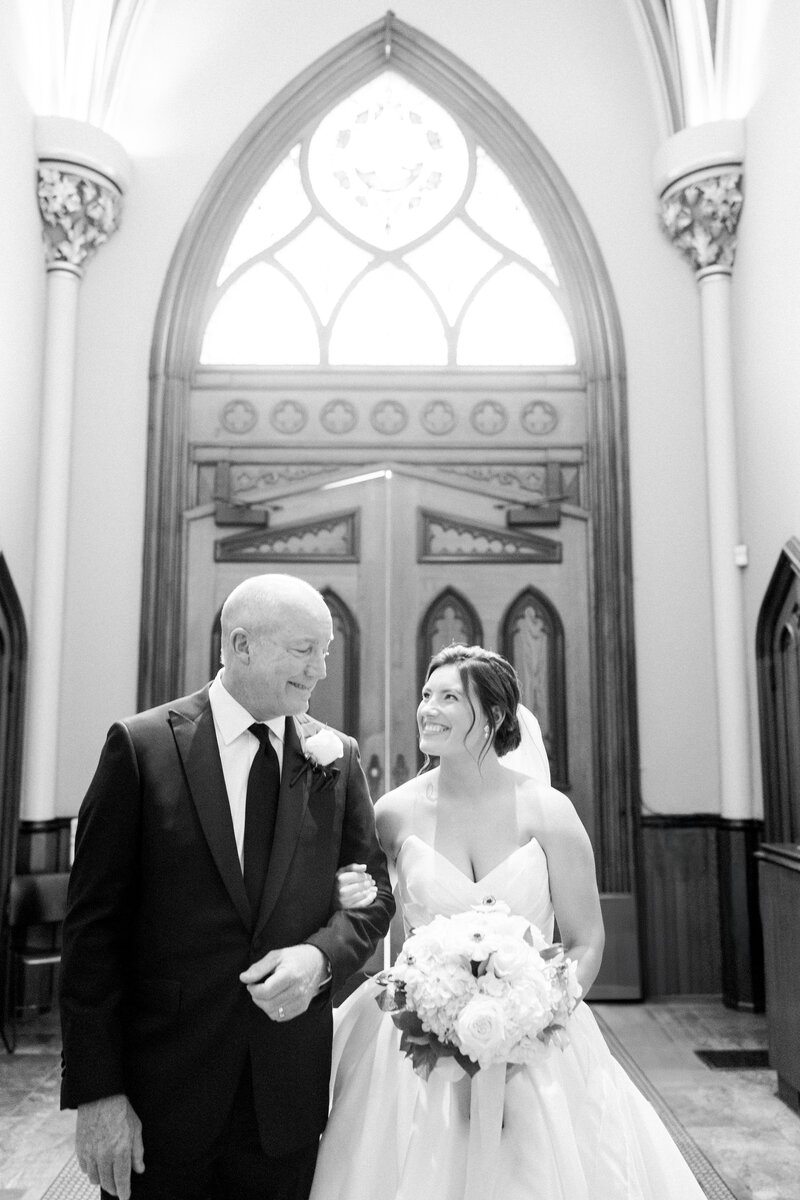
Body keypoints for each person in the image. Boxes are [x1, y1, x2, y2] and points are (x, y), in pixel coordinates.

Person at [310, 644, 707, 1200]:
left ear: (494, 715)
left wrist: (535, 1017)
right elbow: (368, 903)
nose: (428, 709)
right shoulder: (393, 813)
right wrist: (346, 892)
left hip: (535, 1035)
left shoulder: (548, 811)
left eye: (450, 698)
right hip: (418, 1038)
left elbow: (586, 940)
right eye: (426, 694)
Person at [59, 573, 395, 1200]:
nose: (320, 670)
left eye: (325, 651)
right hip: (162, 1095)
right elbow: (92, 932)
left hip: (285, 1097)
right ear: (241, 645)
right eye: (305, 650)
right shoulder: (142, 747)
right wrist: (97, 1093)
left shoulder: (336, 757)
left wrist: (320, 957)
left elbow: (371, 893)